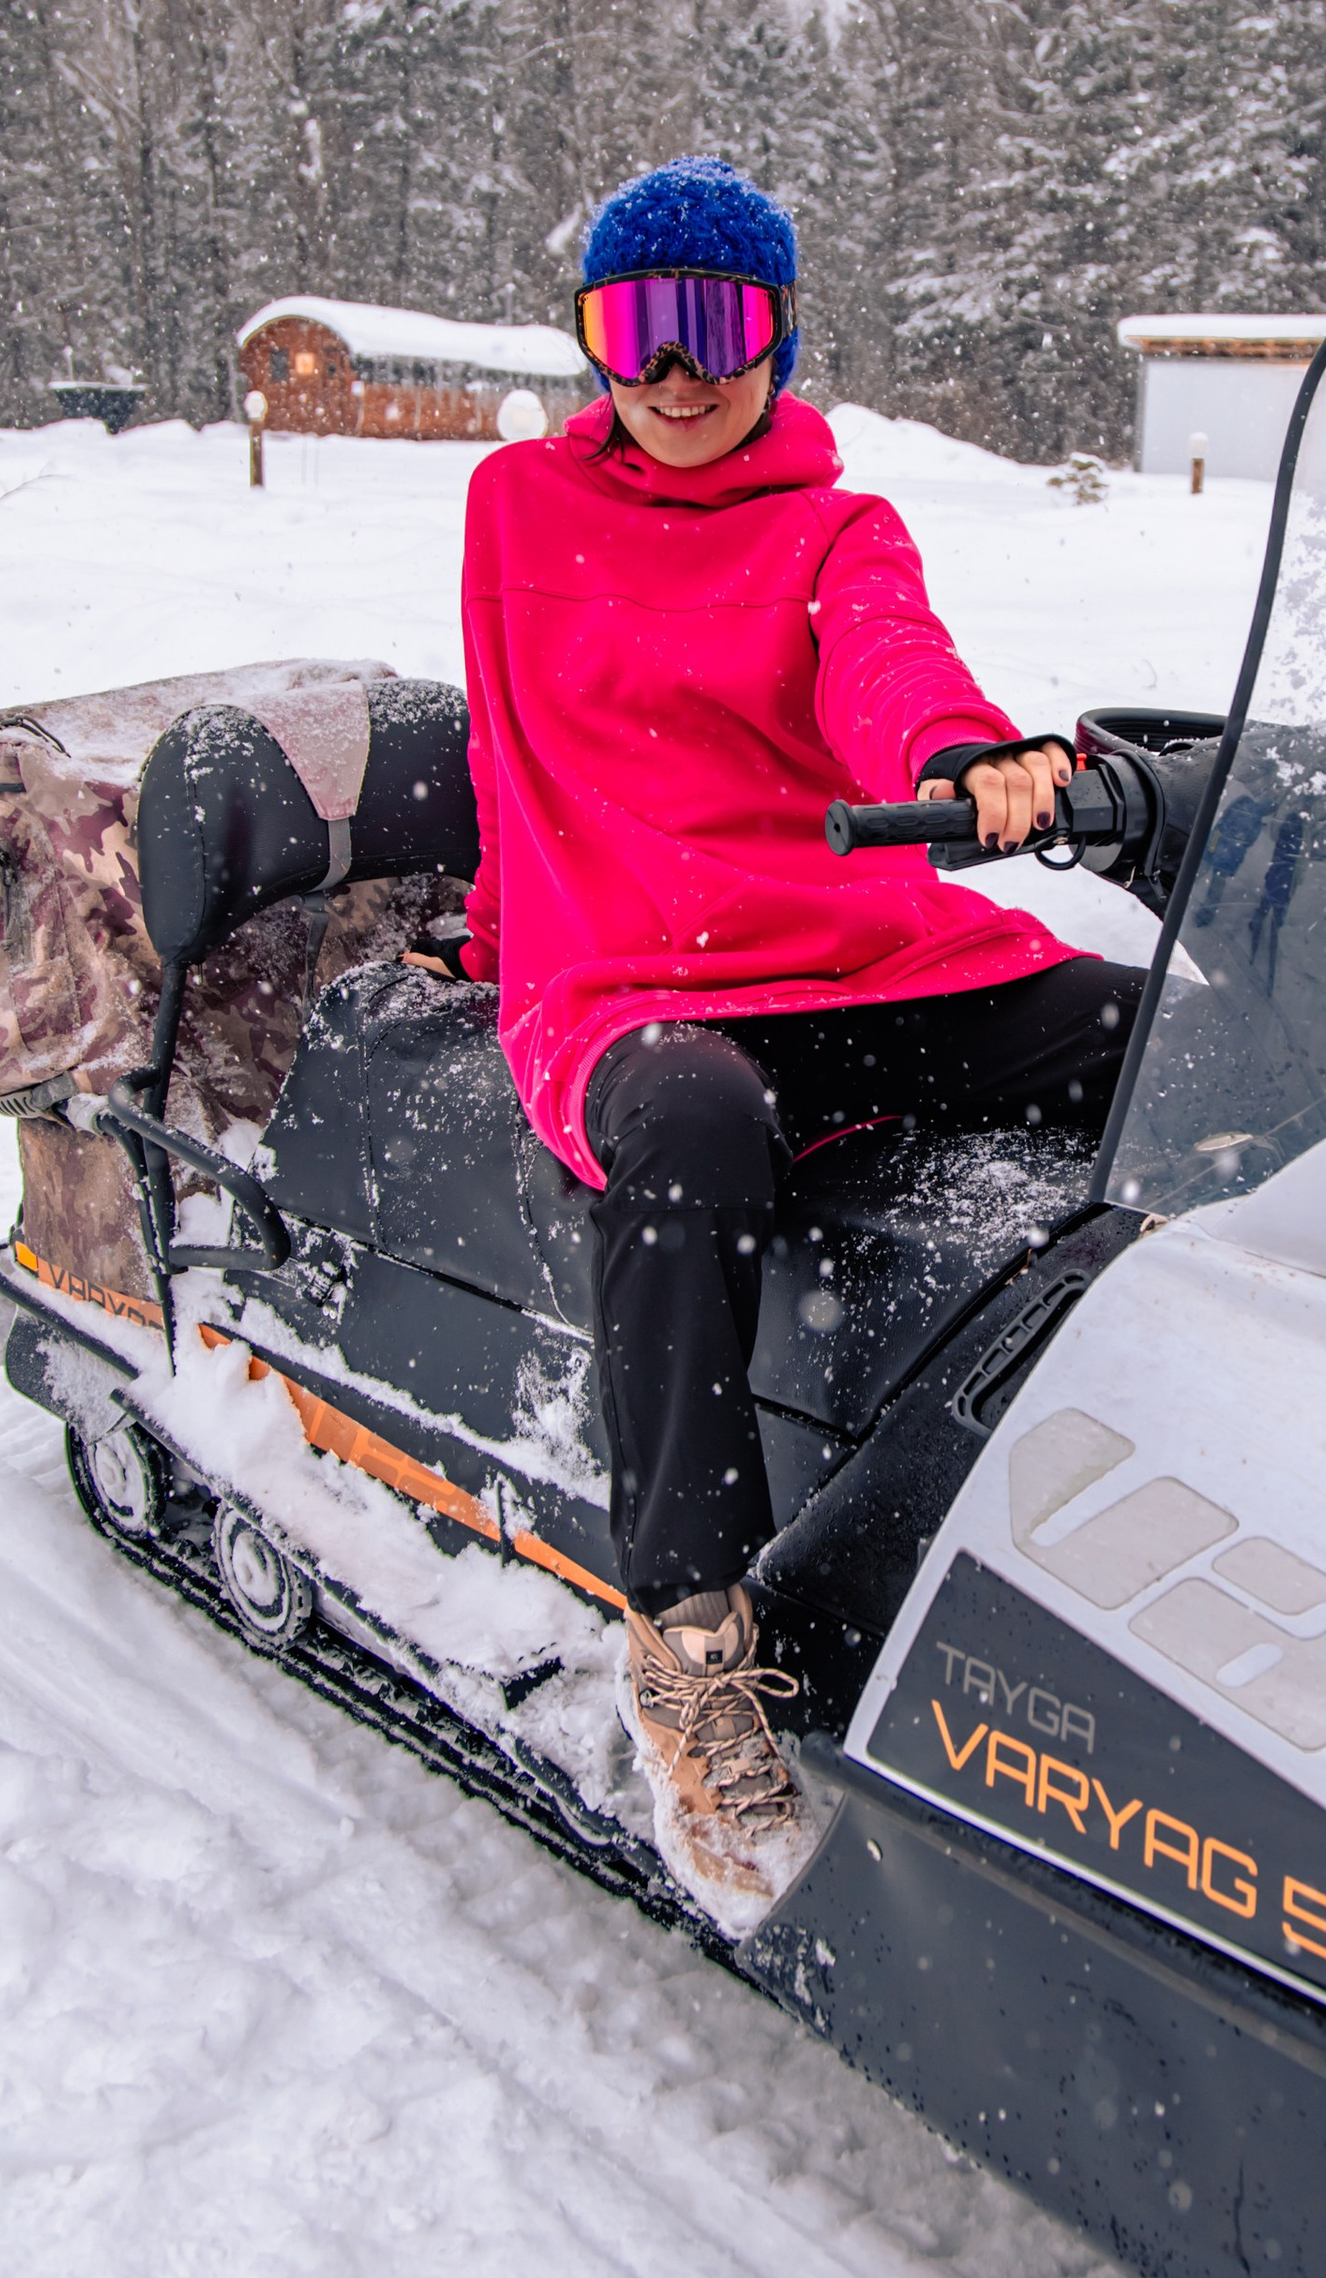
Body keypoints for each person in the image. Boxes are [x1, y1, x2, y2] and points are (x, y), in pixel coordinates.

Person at [456, 156, 1130, 1918]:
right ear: (595, 342)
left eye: (719, 326)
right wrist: (500, 938)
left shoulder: (841, 530)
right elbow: (511, 748)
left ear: (780, 335)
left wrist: (962, 756)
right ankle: (692, 1635)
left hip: (870, 960)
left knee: (1161, 1044)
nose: (679, 375)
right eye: (637, 328)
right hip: (637, 983)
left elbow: (887, 663)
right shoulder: (516, 510)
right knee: (685, 1134)